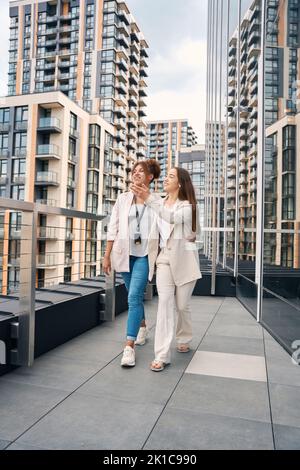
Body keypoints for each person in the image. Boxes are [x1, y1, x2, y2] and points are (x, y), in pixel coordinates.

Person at [131, 167, 202, 371]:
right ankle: (162, 354)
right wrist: (139, 191)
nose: (165, 179)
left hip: (186, 261)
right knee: (164, 303)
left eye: (171, 176)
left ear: (180, 183)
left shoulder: (187, 207)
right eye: (167, 175)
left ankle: (184, 337)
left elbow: (171, 217)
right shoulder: (158, 202)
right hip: (163, 259)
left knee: (181, 306)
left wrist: (148, 198)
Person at [103, 159, 161, 367]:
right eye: (133, 171)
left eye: (140, 171)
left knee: (134, 296)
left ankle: (129, 347)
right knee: (132, 296)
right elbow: (113, 227)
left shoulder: (155, 201)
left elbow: (165, 226)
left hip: (144, 255)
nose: (135, 174)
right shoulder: (123, 199)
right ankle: (143, 326)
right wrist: (107, 255)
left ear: (150, 177)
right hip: (124, 255)